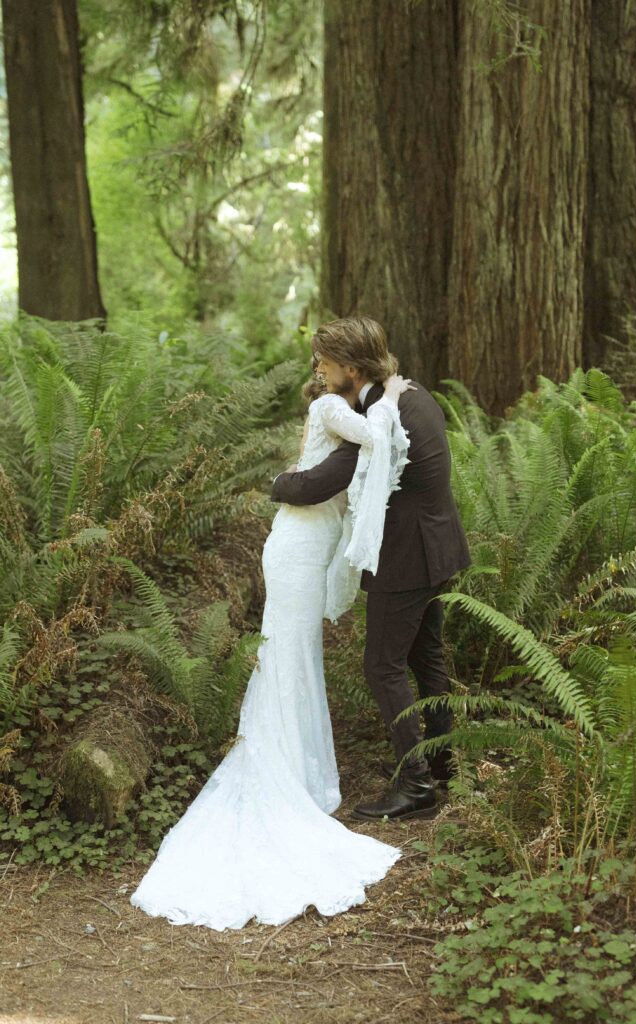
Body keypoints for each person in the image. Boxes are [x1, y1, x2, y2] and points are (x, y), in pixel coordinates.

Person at [129, 358, 413, 931]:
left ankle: (301, 771)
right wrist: (390, 399)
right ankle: (287, 771)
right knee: (287, 654)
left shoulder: (335, 415)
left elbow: (335, 465)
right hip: (297, 549)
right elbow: (371, 437)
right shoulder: (330, 407)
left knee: (297, 656)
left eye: (323, 361)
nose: (318, 370)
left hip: (306, 545)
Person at [271, 316, 471, 822]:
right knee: (425, 657)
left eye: (325, 362)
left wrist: (279, 482)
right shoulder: (410, 395)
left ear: (351, 368)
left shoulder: (381, 420)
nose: (318, 369)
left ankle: (415, 785)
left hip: (406, 558)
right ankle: (443, 761)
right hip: (439, 547)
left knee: (382, 667)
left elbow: (318, 483)